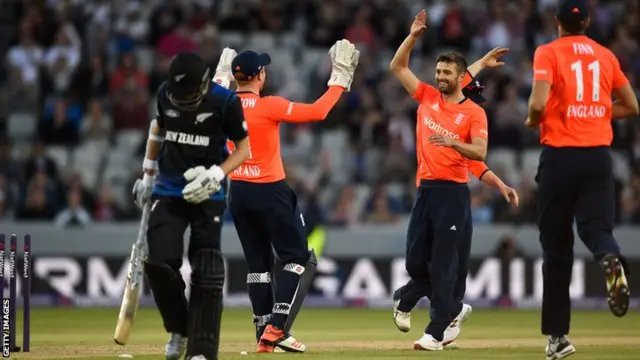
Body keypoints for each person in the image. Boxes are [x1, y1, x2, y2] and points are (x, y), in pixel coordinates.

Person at [210, 40, 359, 353]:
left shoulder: (220, 104)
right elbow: (318, 112)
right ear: (260, 75)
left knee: (258, 266)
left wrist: (218, 82)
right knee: (298, 258)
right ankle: (277, 329)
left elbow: (207, 101)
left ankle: (263, 333)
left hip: (238, 193)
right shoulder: (269, 105)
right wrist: (340, 80)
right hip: (271, 192)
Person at [389, 10, 516, 351]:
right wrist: (414, 35)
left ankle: (435, 332)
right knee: (415, 262)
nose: (440, 76)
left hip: (453, 194)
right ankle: (453, 308)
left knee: (444, 265)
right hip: (425, 191)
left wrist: (453, 143)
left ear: (459, 78)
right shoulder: (428, 97)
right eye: (438, 71)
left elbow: (479, 152)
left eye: (447, 72)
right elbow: (397, 68)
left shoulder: (474, 112)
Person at [525, 0, 638, 358]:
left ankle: (558, 338)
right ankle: (609, 256)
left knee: (556, 249)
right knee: (597, 229)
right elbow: (632, 106)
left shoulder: (548, 52)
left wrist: (532, 119)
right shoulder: (605, 56)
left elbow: (539, 104)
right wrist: (597, 112)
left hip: (560, 158)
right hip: (598, 159)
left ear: (556, 21)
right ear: (587, 21)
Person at [132, 52, 250, 360]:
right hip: (169, 187)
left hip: (207, 192)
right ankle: (180, 329)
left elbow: (243, 150)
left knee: (207, 269)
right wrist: (147, 173)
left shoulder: (225, 102)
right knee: (159, 263)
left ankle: (202, 350)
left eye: (189, 95)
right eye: (178, 95)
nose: (183, 100)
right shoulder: (164, 94)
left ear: (204, 83)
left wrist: (216, 174)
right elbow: (159, 129)